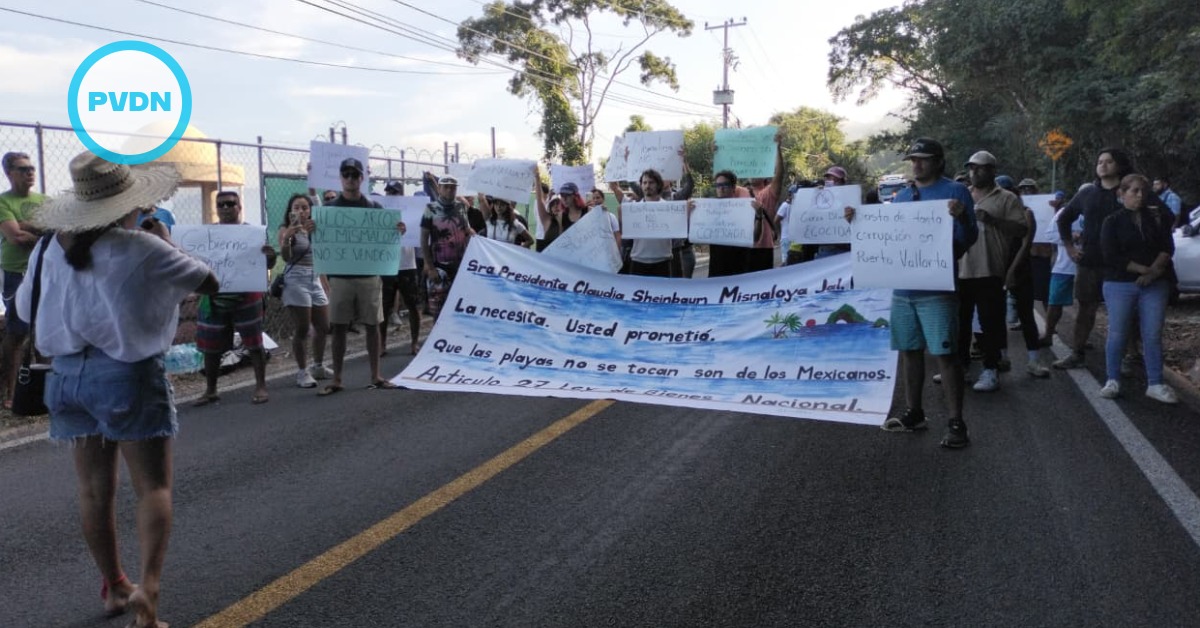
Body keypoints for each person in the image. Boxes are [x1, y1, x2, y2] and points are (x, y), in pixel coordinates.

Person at [17, 151, 219, 628]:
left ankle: (115, 586)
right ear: (127, 204)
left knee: (93, 490)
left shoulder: (47, 249)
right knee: (152, 487)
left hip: (65, 378)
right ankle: (149, 589)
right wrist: (166, 241)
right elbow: (209, 281)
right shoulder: (141, 246)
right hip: (125, 376)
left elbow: (25, 310)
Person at [845, 138, 978, 448]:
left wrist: (961, 217)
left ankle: (956, 422)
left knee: (945, 355)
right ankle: (914, 412)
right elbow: (890, 237)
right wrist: (857, 222)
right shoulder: (903, 196)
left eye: (923, 159)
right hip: (903, 291)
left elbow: (969, 238)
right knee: (909, 351)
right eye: (913, 159)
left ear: (939, 161)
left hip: (937, 289)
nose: (916, 164)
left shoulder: (956, 192)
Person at [316, 157, 402, 395]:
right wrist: (314, 229)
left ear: (362, 178)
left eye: (355, 175)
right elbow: (321, 240)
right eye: (346, 174)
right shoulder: (329, 211)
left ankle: (376, 375)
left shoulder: (375, 209)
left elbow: (386, 240)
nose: (350, 179)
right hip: (340, 277)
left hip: (369, 276)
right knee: (339, 327)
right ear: (340, 178)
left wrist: (397, 231)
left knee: (373, 325)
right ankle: (337, 378)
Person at [1098, 174, 1179, 403]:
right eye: (1134, 191)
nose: (1140, 196)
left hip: (1155, 283)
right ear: (1121, 193)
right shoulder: (1112, 221)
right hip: (1119, 283)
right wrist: (1142, 270)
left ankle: (1155, 382)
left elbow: (1167, 247)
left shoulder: (1156, 218)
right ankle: (1112, 379)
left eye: (1143, 191)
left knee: (1152, 333)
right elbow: (1110, 254)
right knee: (1118, 332)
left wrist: (1153, 272)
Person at [1053, 148, 1135, 369]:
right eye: (1100, 162)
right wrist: (1070, 247)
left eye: (1109, 161)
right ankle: (1077, 353)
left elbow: (1156, 215)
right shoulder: (1087, 193)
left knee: (1124, 313)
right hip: (1090, 262)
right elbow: (1064, 219)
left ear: (1120, 165)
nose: (1103, 165)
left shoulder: (1129, 191)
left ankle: (1129, 356)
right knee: (1085, 310)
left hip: (1122, 265)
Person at [193, 191, 277, 405]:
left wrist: (270, 257)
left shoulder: (253, 234)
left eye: (230, 203)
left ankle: (261, 386)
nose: (225, 208)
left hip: (246, 297)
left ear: (239, 207)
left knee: (254, 343)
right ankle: (211, 390)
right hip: (214, 298)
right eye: (221, 204)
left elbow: (267, 264)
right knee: (210, 348)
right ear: (216, 208)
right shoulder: (208, 235)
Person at [958, 154, 1028, 393]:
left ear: (992, 171)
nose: (975, 172)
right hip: (961, 268)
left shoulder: (1006, 197)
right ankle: (960, 367)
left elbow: (1021, 229)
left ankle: (991, 369)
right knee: (960, 323)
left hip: (989, 269)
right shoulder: (962, 195)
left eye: (981, 168)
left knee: (991, 323)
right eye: (971, 168)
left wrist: (993, 220)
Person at [0, 151, 45, 409]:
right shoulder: (3, 201)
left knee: (45, 329)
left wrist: (25, 226)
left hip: (43, 270)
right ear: (9, 173)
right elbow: (15, 237)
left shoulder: (45, 200)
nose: (30, 173)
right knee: (17, 332)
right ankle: (12, 392)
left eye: (31, 168)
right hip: (16, 273)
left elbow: (58, 232)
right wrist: (40, 231)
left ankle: (45, 385)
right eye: (23, 169)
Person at [277, 193, 332, 388]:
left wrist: (325, 284)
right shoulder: (285, 229)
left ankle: (318, 365)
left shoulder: (315, 228)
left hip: (314, 278)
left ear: (310, 210)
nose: (301, 211)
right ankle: (302, 371)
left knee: (323, 326)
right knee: (302, 328)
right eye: (296, 208)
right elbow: (286, 257)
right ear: (290, 211)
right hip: (296, 279)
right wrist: (288, 237)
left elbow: (322, 255)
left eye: (304, 207)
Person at [998, 175, 1048, 378]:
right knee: (996, 316)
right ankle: (1002, 356)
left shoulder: (1026, 213)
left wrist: (1010, 272)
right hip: (998, 269)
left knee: (1026, 315)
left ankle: (1034, 360)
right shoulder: (995, 214)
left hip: (1020, 269)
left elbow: (1025, 245)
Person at [379, 182, 423, 356]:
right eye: (389, 192)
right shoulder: (380, 212)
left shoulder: (411, 211)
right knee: (384, 307)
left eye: (394, 192)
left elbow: (418, 233)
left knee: (413, 305)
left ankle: (414, 342)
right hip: (387, 265)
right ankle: (382, 344)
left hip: (407, 265)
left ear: (401, 195)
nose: (391, 195)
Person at [420, 174, 473, 317]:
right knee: (438, 310)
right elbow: (424, 239)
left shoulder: (461, 207)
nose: (449, 190)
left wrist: (472, 234)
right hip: (439, 267)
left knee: (459, 308)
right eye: (446, 187)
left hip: (460, 267)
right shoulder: (430, 208)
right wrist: (430, 267)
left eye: (453, 188)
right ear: (439, 188)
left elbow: (466, 229)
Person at [814, 166, 853, 259]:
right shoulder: (819, 197)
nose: (831, 182)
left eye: (835, 180)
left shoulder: (851, 199)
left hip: (845, 250)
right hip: (824, 249)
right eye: (828, 179)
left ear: (843, 182)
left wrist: (851, 217)